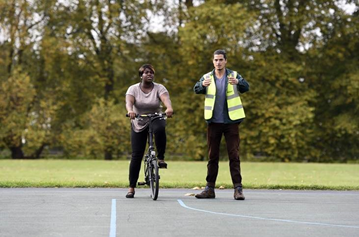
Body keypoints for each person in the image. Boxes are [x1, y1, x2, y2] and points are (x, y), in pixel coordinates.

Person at [193, 49, 249, 200]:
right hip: (213, 123)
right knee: (213, 157)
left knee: (234, 155)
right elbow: (196, 89)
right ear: (213, 62)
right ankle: (209, 189)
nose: (218, 62)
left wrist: (239, 83)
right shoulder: (207, 77)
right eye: (216, 60)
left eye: (221, 60)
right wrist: (202, 85)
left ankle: (238, 189)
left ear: (225, 61)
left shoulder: (234, 75)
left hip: (231, 122)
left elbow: (246, 87)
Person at [125, 64, 173, 198]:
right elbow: (129, 102)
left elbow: (165, 99)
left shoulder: (159, 88)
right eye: (146, 73)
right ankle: (131, 187)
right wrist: (130, 111)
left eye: (151, 73)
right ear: (141, 75)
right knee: (136, 155)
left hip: (155, 117)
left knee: (160, 128)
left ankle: (161, 158)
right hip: (138, 120)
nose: (149, 75)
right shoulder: (133, 89)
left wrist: (168, 108)